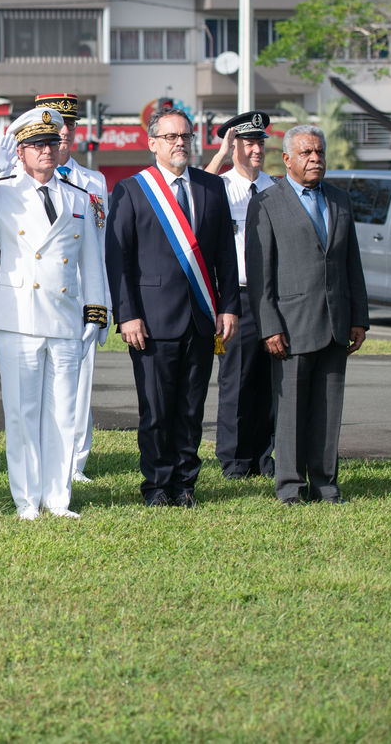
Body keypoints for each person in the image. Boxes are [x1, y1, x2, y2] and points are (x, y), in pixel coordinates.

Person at [0, 108, 108, 519]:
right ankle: (26, 499)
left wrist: (96, 310)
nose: (47, 150)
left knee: (63, 411)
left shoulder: (78, 196)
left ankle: (58, 498)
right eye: (37, 144)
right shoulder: (3, 191)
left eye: (52, 142)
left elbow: (92, 259)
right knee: (23, 412)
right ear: (19, 152)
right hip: (19, 316)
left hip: (65, 315)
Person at [108, 106, 238, 508]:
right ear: (152, 143)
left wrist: (229, 306)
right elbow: (118, 258)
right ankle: (157, 486)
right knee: (156, 410)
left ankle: (185, 485)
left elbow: (225, 254)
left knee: (191, 408)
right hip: (150, 320)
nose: (179, 143)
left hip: (201, 317)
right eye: (170, 137)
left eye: (185, 136)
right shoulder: (132, 189)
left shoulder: (211, 187)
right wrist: (127, 314)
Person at [245, 123, 368, 505]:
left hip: (336, 321)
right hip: (290, 324)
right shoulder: (267, 202)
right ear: (286, 159)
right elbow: (260, 272)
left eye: (319, 152)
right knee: (292, 411)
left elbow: (351, 262)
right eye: (306, 153)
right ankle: (290, 487)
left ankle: (326, 485)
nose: (315, 159)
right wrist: (269, 326)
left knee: (329, 409)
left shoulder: (339, 200)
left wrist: (359, 318)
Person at [42, 93, 109, 483]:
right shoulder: (23, 178)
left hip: (82, 297)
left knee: (80, 383)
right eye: (57, 124)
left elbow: (101, 244)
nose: (64, 132)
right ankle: (41, 454)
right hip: (42, 295)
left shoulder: (94, 181)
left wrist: (102, 302)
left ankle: (74, 461)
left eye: (70, 124)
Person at [212, 111, 278, 480]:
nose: (256, 149)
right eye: (248, 142)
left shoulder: (276, 188)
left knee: (270, 379)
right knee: (235, 379)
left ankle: (264, 456)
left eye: (260, 142)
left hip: (272, 295)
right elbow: (187, 194)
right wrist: (220, 155)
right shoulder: (219, 186)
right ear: (234, 145)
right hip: (235, 297)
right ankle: (235, 459)